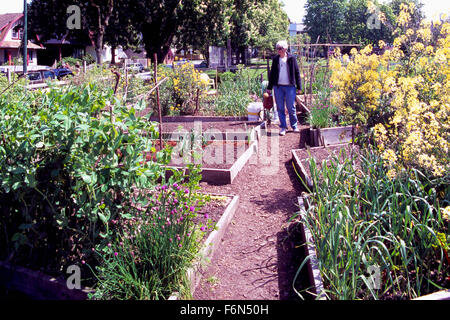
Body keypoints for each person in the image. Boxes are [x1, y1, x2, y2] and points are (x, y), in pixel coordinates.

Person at [266, 40, 302, 136]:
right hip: (278, 87)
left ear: (285, 48)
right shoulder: (275, 59)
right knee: (280, 107)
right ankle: (283, 127)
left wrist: (299, 87)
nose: (278, 50)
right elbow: (272, 74)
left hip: (290, 87)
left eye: (280, 48)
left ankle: (294, 126)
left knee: (291, 107)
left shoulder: (292, 59)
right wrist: (269, 87)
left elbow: (297, 73)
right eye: (277, 48)